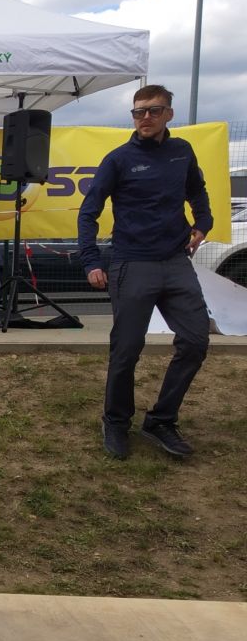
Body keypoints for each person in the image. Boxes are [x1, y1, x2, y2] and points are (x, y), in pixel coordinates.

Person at [78, 84, 212, 460]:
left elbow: (197, 190)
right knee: (126, 350)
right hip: (132, 263)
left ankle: (161, 420)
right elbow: (88, 212)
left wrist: (203, 222)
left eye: (153, 110)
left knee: (195, 342)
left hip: (176, 262)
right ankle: (116, 421)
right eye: (139, 112)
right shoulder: (118, 159)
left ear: (169, 113)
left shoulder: (182, 151)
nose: (145, 118)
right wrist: (90, 261)